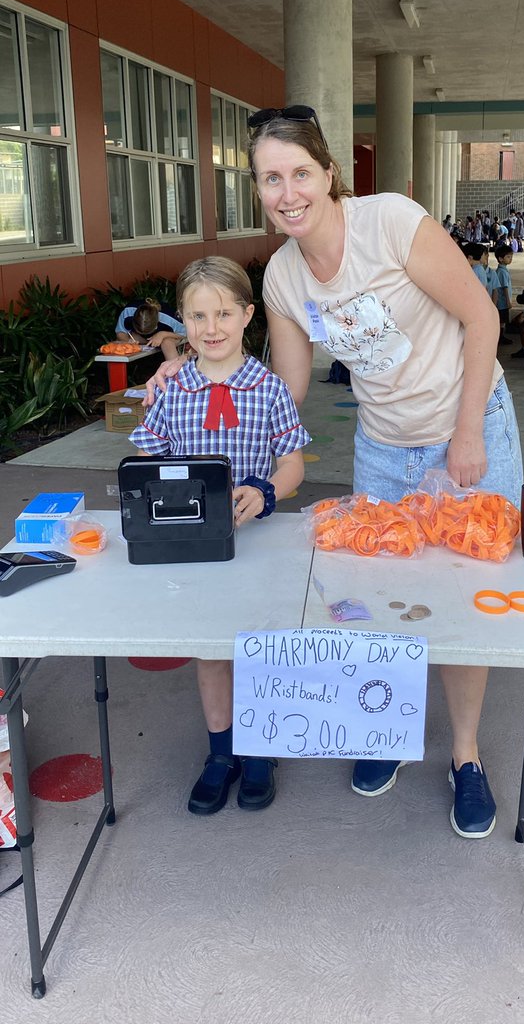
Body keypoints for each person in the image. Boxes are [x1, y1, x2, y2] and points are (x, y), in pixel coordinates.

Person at [147, 103, 524, 840]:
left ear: (328, 174)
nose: (286, 192)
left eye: (299, 173)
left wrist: (469, 431)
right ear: (257, 188)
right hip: (382, 446)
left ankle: (467, 758)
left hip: (468, 428)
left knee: (465, 599)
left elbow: (482, 317)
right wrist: (186, 371)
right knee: (381, 599)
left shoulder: (391, 223)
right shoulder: (285, 277)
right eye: (268, 179)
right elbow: (280, 391)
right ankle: (386, 735)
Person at [130, 256, 310, 815]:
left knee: (259, 645)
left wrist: (264, 490)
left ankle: (259, 752)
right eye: (198, 315)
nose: (212, 328)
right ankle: (220, 751)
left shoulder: (270, 388)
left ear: (247, 315)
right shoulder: (172, 388)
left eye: (224, 313)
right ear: (181, 321)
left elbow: (294, 466)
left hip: (258, 543)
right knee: (211, 650)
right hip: (195, 548)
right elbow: (146, 453)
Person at [114, 297, 186, 361]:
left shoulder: (169, 319)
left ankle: (175, 371)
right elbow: (120, 332)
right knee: (121, 343)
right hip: (139, 338)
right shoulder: (127, 312)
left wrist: (163, 334)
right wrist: (128, 341)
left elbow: (186, 333)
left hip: (169, 336)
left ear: (156, 326)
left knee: (167, 342)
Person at [492, 242, 514, 346]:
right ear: (501, 259)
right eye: (508, 257)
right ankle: (500, 337)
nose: (510, 259)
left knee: (503, 320)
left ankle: (501, 337)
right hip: (503, 302)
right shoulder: (502, 272)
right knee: (502, 320)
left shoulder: (503, 270)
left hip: (503, 301)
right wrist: (508, 301)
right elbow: (504, 288)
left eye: (511, 256)